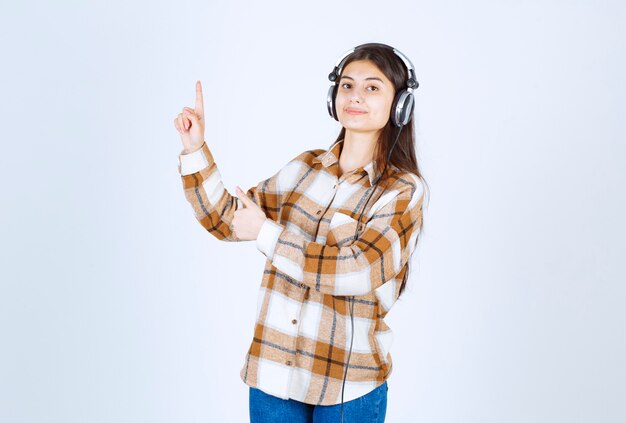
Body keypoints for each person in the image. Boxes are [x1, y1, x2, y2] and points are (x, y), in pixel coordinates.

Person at [173, 43, 428, 423]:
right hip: (273, 376)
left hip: (348, 386)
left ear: (400, 105)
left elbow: (356, 270)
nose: (355, 96)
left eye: (372, 87)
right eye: (346, 85)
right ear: (333, 96)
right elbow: (227, 220)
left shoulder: (402, 191)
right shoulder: (304, 169)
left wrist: (268, 235)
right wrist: (195, 150)